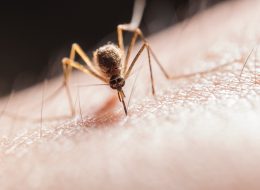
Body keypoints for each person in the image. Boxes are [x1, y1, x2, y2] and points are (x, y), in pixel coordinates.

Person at [1, 0, 260, 189]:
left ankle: (168, 79)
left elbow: (140, 39)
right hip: (103, 62)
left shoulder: (122, 69)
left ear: (120, 76)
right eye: (116, 84)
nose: (119, 88)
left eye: (119, 83)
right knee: (72, 57)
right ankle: (68, 107)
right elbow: (73, 59)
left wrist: (160, 85)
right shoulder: (104, 73)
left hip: (114, 59)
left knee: (140, 40)